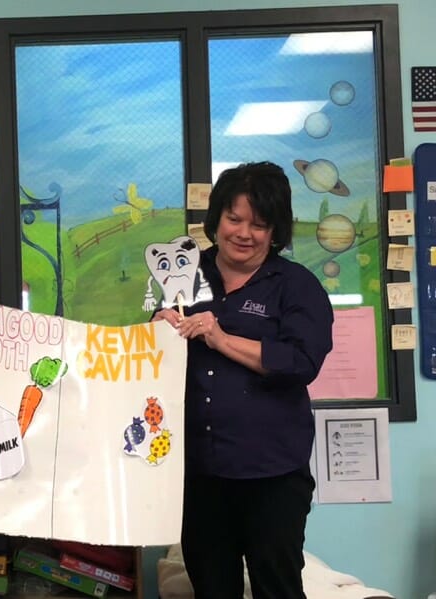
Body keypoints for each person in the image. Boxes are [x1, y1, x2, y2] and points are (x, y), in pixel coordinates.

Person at [153, 161, 333, 599]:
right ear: (216, 220)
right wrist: (156, 331)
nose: (244, 233)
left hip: (271, 476)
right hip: (198, 474)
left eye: (259, 224)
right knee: (212, 589)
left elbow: (300, 361)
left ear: (276, 231)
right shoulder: (182, 277)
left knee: (278, 588)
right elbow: (153, 366)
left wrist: (218, 336)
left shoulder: (297, 286)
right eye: (234, 219)